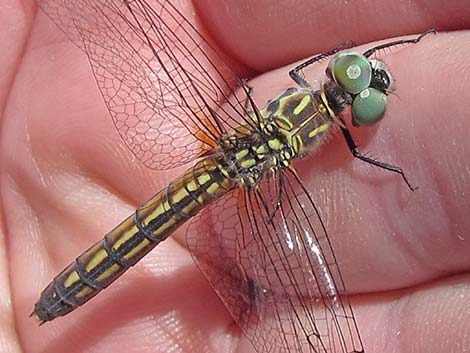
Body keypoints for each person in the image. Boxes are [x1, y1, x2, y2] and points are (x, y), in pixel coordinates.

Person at [1, 0, 469, 352]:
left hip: (221, 162)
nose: (360, 77)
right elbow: (361, 158)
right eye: (355, 73)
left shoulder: (301, 83)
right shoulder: (320, 140)